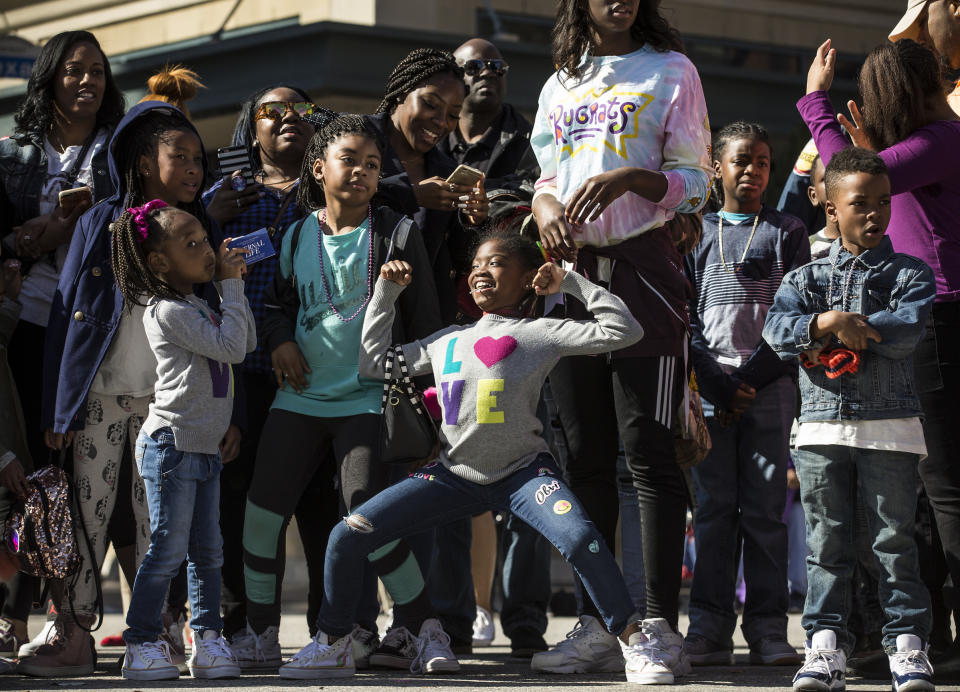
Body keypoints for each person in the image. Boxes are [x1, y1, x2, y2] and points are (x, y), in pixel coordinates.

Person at [280, 229, 675, 685]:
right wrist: (386, 294)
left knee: (582, 537)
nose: (481, 272)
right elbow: (373, 365)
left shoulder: (541, 331)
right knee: (347, 535)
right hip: (451, 477)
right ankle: (330, 644)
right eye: (475, 266)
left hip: (526, 474)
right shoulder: (447, 340)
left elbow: (626, 329)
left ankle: (633, 641)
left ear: (530, 278)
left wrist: (568, 281)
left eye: (496, 263)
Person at [529, 0, 711, 679]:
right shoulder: (560, 82)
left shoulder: (671, 70)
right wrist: (545, 208)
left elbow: (697, 182)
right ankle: (600, 624)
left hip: (645, 278)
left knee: (650, 459)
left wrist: (634, 179)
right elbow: (547, 177)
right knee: (585, 463)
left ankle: (659, 627)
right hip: (571, 288)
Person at [235, 114, 444, 674]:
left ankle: (423, 626)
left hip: (367, 401)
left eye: (373, 165)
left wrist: (430, 405)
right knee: (260, 515)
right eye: (349, 159)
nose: (362, 171)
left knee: (362, 518)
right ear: (319, 167)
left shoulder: (399, 232)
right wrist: (278, 341)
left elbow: (426, 323)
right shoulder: (298, 232)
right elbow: (277, 305)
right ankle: (259, 632)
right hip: (299, 398)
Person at [25, 101, 217, 677]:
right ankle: (74, 632)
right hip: (102, 399)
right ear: (140, 160)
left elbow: (218, 330)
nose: (191, 169)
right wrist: (61, 407)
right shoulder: (99, 222)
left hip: (168, 407)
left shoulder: (202, 223)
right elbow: (65, 316)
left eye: (196, 159)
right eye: (176, 157)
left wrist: (225, 417)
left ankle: (155, 636)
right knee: (86, 513)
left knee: (159, 522)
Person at [800, 37, 960, 669]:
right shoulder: (929, 144)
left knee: (942, 485)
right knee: (914, 483)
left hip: (941, 319)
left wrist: (816, 101)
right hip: (917, 318)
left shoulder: (943, 139)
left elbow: (852, 179)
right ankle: (923, 639)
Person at [762, 147, 936, 692]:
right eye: (859, 202)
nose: (875, 213)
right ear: (829, 208)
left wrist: (830, 333)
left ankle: (907, 649)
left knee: (893, 543)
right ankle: (824, 649)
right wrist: (830, 320)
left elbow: (907, 328)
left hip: (892, 428)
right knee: (826, 543)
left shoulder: (910, 272)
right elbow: (775, 330)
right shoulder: (804, 277)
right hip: (820, 429)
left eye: (884, 202)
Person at [202, 86, 340, 645]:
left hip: (318, 370)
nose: (289, 118)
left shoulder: (329, 190)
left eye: (302, 111)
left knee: (320, 502)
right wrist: (210, 219)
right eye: (271, 111)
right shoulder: (223, 195)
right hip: (243, 371)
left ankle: (329, 628)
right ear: (249, 128)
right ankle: (247, 626)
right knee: (243, 499)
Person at [433, 36, 550, 658]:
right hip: (453, 333)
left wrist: (494, 208)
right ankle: (454, 623)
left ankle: (526, 629)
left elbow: (543, 207)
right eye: (473, 67)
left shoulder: (530, 139)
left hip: (522, 331)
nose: (487, 76)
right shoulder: (432, 140)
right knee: (453, 471)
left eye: (497, 66)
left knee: (529, 468)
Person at [682, 121, 808, 666]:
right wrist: (716, 383)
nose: (752, 170)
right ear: (717, 167)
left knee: (763, 512)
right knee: (712, 511)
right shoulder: (696, 230)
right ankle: (708, 627)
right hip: (710, 390)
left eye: (761, 162)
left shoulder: (787, 231)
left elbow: (796, 312)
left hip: (769, 388)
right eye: (740, 161)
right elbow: (683, 316)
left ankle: (767, 628)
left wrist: (749, 380)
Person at [111, 201, 254, 680]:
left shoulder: (198, 303)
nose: (206, 251)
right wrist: (231, 286)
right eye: (190, 245)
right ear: (158, 263)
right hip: (171, 446)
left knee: (208, 550)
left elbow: (246, 342)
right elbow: (233, 346)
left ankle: (208, 639)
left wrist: (230, 290)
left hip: (203, 446)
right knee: (168, 550)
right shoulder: (168, 309)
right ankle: (141, 642)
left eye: (204, 240)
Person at [364, 47, 489, 325]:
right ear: (401, 93)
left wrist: (471, 220)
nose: (441, 122)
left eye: (453, 114)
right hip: (352, 305)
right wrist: (412, 195)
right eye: (431, 104)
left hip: (419, 319)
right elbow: (330, 198)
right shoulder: (355, 137)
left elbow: (455, 259)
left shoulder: (444, 169)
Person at [806, 154, 839, 260]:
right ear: (813, 195)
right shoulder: (805, 248)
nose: (835, 183)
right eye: (826, 178)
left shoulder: (872, 242)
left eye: (839, 176)